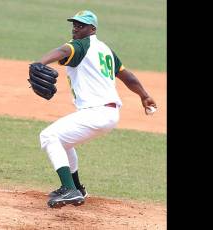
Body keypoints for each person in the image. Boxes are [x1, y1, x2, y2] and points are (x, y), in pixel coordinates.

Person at [36, 10, 157, 208]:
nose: (76, 28)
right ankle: (77, 188)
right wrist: (144, 95)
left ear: (92, 29)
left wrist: (40, 62)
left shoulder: (82, 45)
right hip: (106, 114)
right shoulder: (106, 50)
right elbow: (128, 77)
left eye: (81, 25)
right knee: (64, 142)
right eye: (74, 24)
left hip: (96, 113)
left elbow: (64, 50)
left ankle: (70, 190)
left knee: (49, 136)